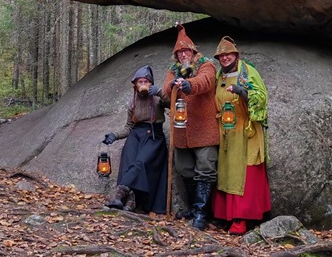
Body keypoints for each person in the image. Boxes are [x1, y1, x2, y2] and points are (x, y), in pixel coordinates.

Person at [161, 23, 219, 230]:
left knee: (206, 168)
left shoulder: (206, 64)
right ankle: (193, 209)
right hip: (182, 131)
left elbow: (206, 81)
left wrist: (189, 85)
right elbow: (166, 87)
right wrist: (174, 84)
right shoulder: (174, 69)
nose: (183, 54)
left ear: (193, 51)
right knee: (184, 169)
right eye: (179, 52)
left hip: (204, 129)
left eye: (186, 51)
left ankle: (202, 214)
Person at [211, 36, 271, 235]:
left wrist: (241, 91)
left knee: (244, 172)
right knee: (227, 171)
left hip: (246, 131)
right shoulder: (220, 75)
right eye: (221, 55)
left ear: (236, 55)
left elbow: (261, 97)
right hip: (226, 131)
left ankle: (241, 218)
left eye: (228, 54)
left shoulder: (247, 72)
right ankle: (226, 216)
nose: (225, 58)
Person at [102, 65, 169, 214]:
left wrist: (159, 91)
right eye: (140, 82)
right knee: (128, 163)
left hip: (153, 136)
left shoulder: (158, 97)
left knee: (140, 163)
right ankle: (130, 202)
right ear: (135, 85)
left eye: (146, 81)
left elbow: (173, 104)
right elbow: (128, 126)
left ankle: (118, 193)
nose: (143, 84)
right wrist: (115, 135)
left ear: (150, 83)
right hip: (135, 135)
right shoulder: (132, 101)